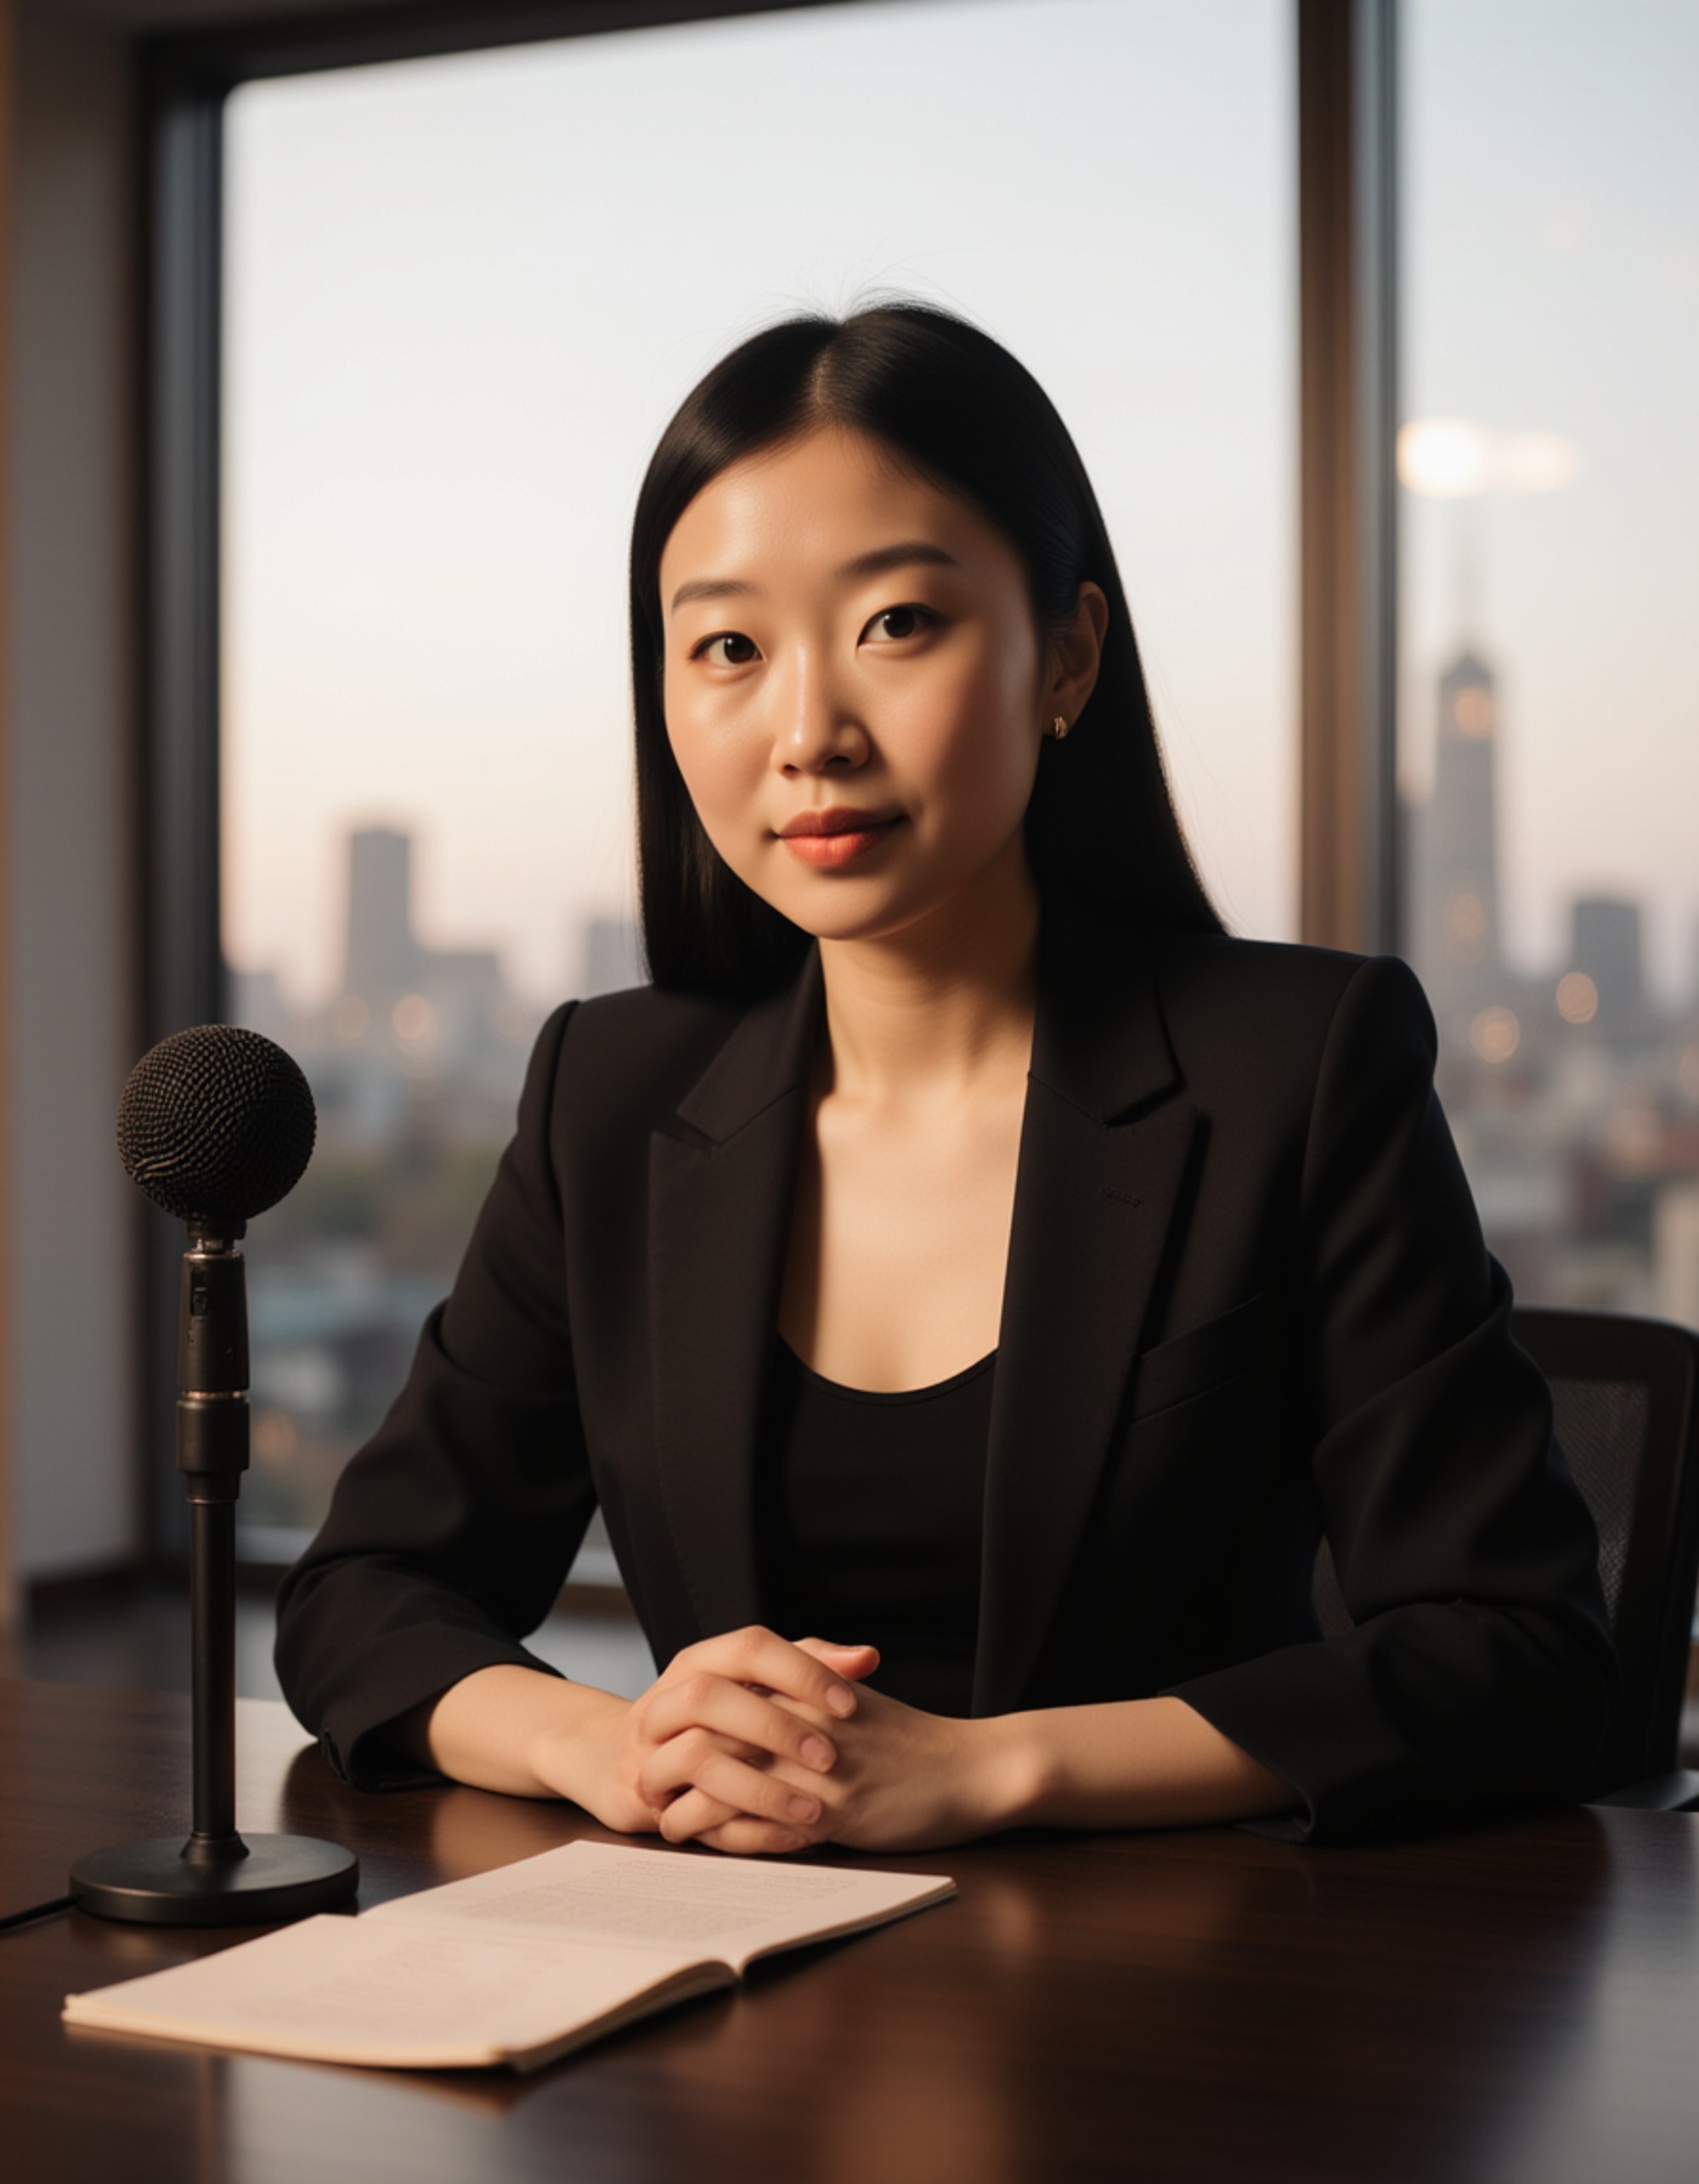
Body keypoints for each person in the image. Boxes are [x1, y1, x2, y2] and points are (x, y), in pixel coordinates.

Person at [275, 299, 1617, 1855]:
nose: (809, 731)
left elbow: (1521, 1655)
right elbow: (364, 1593)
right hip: (725, 2002)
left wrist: (992, 1769)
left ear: (1067, 654)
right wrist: (612, 1744)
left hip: (1190, 2011)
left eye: (896, 624)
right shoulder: (613, 1094)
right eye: (727, 646)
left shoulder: (1295, 1071)